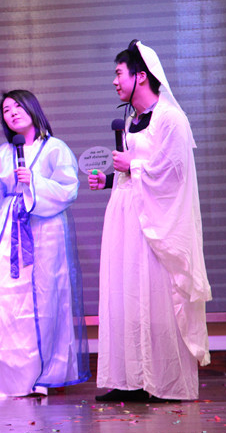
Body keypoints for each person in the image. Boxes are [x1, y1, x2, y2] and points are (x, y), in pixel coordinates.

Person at [89, 40, 211, 402]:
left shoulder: (171, 119)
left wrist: (134, 165)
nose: (114, 81)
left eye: (119, 73)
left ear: (140, 76)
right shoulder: (131, 120)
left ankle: (164, 383)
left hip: (156, 222)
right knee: (127, 294)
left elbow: (175, 171)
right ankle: (130, 380)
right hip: (126, 218)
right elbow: (135, 170)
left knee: (156, 297)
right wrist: (109, 179)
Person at [0, 89, 90, 398]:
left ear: (32, 108)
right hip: (9, 228)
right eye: (6, 110)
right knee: (6, 300)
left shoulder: (56, 149)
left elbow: (68, 189)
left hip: (47, 231)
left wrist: (33, 182)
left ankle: (44, 374)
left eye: (17, 106)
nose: (12, 113)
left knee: (47, 298)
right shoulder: (0, 155)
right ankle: (8, 376)